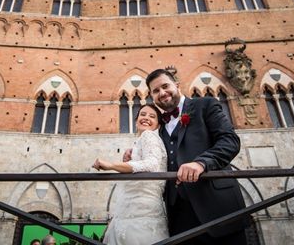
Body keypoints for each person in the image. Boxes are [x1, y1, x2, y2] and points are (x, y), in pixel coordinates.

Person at [145, 68, 248, 244]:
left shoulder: (205, 105)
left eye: (165, 86)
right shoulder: (159, 127)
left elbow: (230, 140)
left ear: (177, 85)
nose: (162, 93)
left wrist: (202, 163)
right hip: (178, 213)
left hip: (217, 207)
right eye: (156, 91)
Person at [93, 104, 169, 245]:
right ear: (136, 120)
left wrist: (112, 165)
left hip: (142, 210)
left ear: (158, 126)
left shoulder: (148, 135)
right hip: (134, 209)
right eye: (143, 114)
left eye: (152, 116)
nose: (146, 118)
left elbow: (152, 164)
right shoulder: (140, 141)